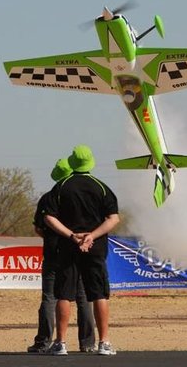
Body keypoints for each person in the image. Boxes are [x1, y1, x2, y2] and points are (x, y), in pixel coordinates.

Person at [44, 145, 120, 356]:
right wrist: (91, 236)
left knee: (64, 294)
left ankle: (60, 343)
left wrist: (71, 235)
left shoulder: (61, 187)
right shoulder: (101, 187)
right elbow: (113, 218)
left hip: (68, 247)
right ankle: (104, 343)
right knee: (99, 294)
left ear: (73, 162)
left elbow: (48, 217)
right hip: (95, 248)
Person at [27, 158, 96, 353]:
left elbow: (38, 228)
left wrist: (52, 237)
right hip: (79, 254)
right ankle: (88, 343)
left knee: (50, 297)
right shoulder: (83, 198)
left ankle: (44, 342)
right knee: (83, 297)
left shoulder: (48, 198)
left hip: (54, 253)